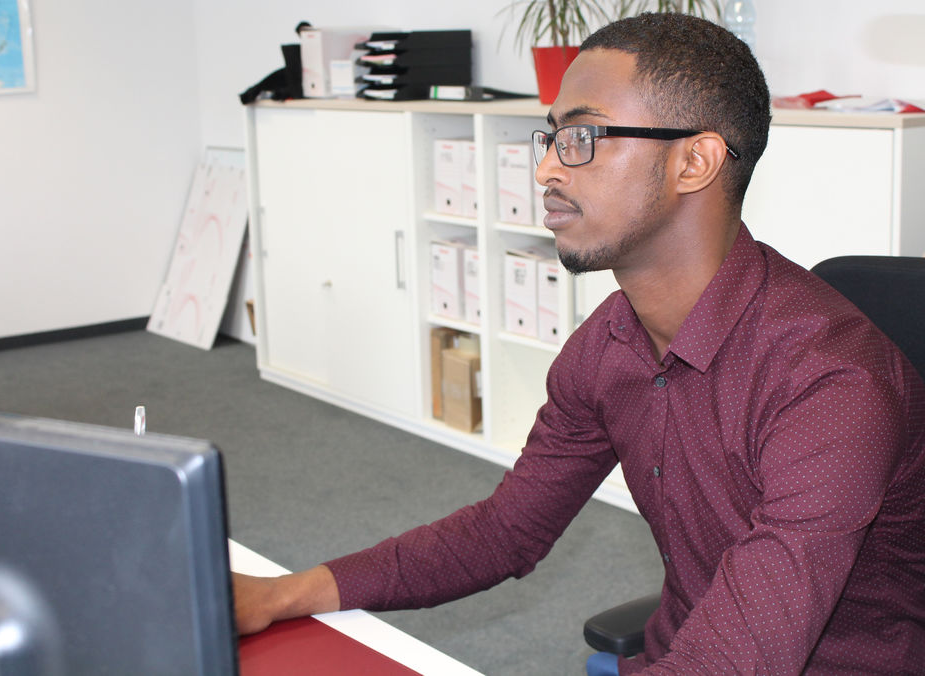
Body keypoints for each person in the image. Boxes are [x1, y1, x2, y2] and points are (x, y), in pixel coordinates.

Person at [233, 13, 925, 675]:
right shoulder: (609, 346)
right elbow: (504, 531)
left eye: (584, 137)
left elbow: (737, 661)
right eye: (552, 137)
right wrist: (280, 596)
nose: (547, 171)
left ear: (695, 162)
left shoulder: (832, 388)